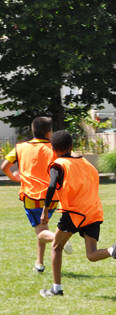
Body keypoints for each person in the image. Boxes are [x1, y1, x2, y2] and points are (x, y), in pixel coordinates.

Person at [38, 130, 116, 297]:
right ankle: (112, 251)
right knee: (91, 254)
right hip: (93, 211)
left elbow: (51, 186)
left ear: (52, 149)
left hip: (74, 212)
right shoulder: (86, 163)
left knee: (56, 247)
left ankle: (56, 289)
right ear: (72, 146)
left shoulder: (58, 164)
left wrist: (45, 209)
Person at [1, 116, 71, 273]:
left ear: (33, 130)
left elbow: (4, 166)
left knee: (41, 231)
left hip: (31, 197)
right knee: (42, 228)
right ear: (48, 132)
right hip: (52, 197)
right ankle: (39, 263)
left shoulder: (20, 147)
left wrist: (14, 177)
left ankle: (57, 239)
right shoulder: (54, 148)